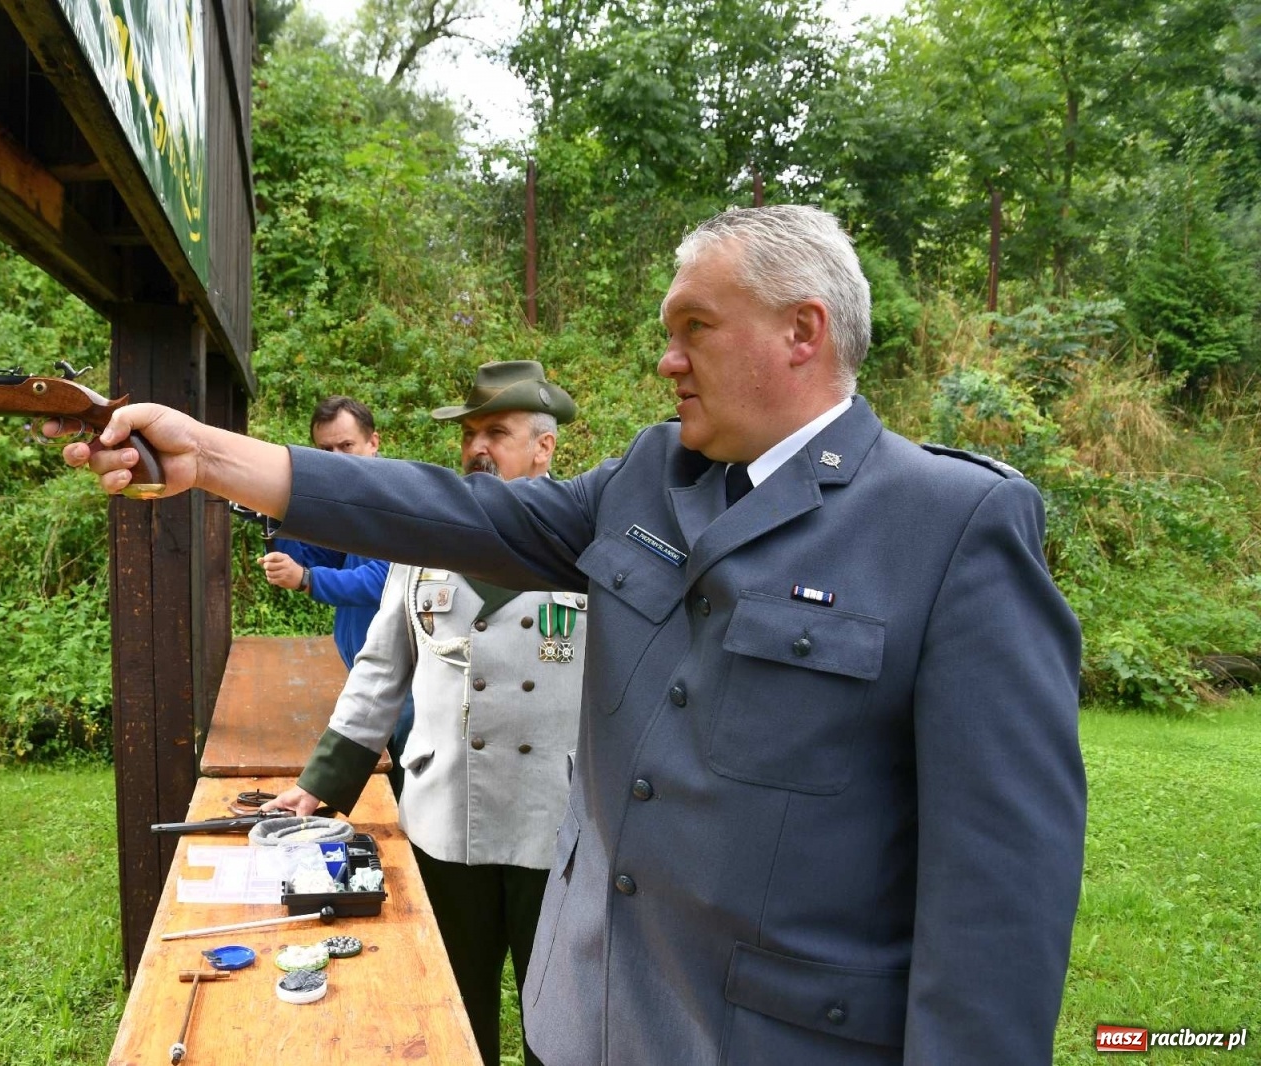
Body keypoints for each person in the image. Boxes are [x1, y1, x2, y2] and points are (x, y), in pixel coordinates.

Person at [56, 205, 1087, 1065]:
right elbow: (452, 515)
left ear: (801, 332)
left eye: (694, 327)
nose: (664, 357)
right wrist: (211, 457)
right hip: (583, 1011)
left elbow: (998, 892)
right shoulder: (650, 475)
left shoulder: (948, 524)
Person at [263, 363, 586, 1066]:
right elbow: (382, 666)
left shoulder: (588, 542)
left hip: (554, 820)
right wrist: (325, 779)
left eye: (496, 433)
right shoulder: (425, 541)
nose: (476, 449)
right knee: (448, 1011)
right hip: (447, 815)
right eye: (469, 434)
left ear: (544, 448)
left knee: (560, 1023)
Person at [256, 396, 419, 793]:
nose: (335, 458)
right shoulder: (349, 502)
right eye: (325, 450)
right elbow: (319, 555)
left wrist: (307, 579)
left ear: (373, 443)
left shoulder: (394, 500)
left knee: (402, 795)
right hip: (370, 675)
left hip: (407, 687)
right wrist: (275, 515)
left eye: (346, 447)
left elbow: (381, 580)